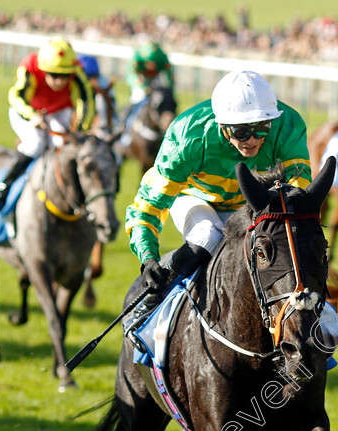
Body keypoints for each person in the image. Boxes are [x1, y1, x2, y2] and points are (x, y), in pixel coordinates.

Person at [125, 70, 312, 314]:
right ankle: (156, 299)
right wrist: (148, 256)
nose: (252, 140)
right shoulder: (188, 136)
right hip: (195, 198)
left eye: (261, 129)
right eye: (241, 132)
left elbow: (297, 189)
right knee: (208, 236)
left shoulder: (287, 125)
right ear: (221, 125)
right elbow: (148, 205)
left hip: (252, 203)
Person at [0, 37, 95, 209]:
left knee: (62, 146)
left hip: (58, 111)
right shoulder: (29, 67)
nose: (60, 81)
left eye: (65, 76)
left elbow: (86, 102)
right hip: (26, 112)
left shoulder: (77, 71)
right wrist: (32, 115)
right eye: (54, 75)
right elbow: (17, 97)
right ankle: (5, 186)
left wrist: (79, 130)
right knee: (35, 143)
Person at [121, 40, 174, 146]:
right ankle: (124, 126)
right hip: (140, 78)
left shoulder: (162, 57)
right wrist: (142, 86)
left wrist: (167, 89)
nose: (151, 66)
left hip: (156, 78)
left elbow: (169, 76)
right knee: (138, 97)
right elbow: (130, 74)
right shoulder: (137, 57)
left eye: (154, 63)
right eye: (148, 63)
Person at [77, 54, 118, 136]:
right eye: (89, 78)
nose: (93, 82)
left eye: (95, 78)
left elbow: (112, 107)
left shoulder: (103, 82)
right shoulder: (75, 86)